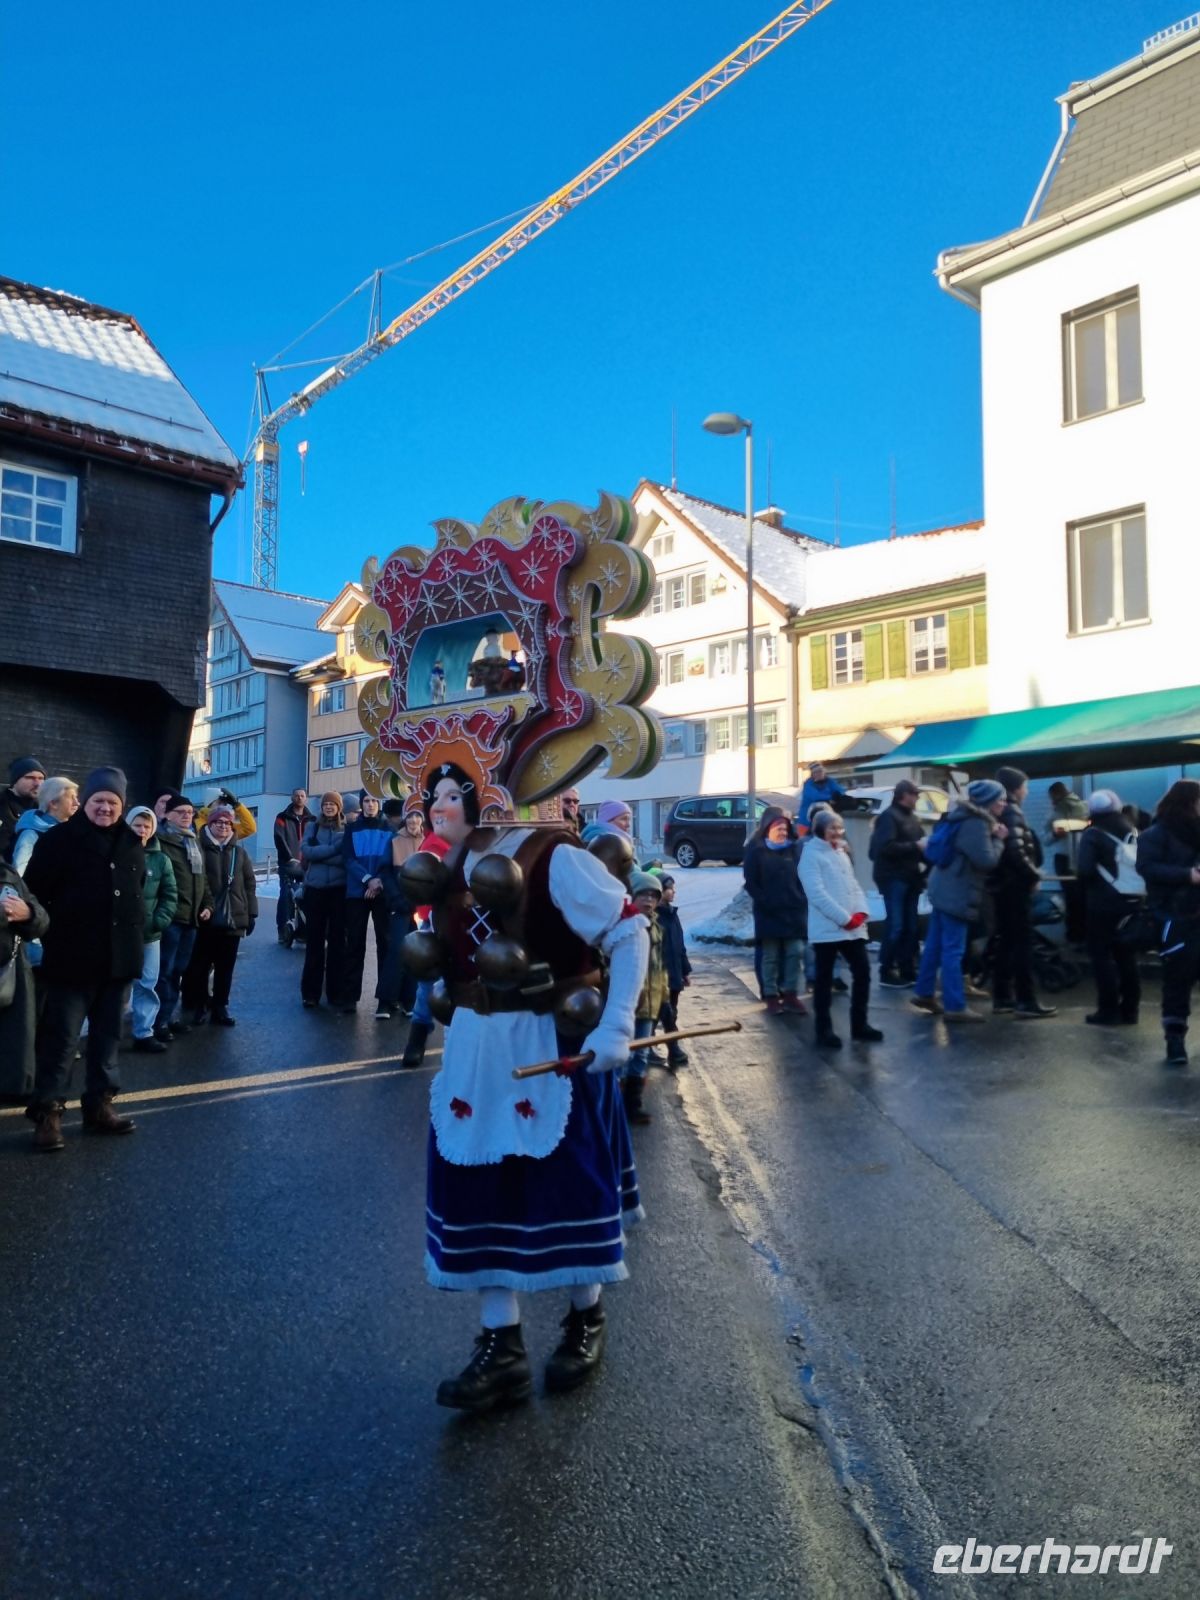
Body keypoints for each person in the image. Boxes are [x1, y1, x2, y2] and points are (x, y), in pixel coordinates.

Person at [421, 764, 647, 1412]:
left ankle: (586, 1317)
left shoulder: (557, 856)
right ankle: (503, 1344)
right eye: (432, 795)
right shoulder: (453, 858)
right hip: (475, 1048)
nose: (437, 805)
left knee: (564, 1180)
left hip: (550, 1042)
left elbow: (630, 930)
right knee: (476, 1184)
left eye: (450, 793)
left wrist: (618, 1022)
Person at [24, 767, 145, 1151]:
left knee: (107, 1039)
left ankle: (99, 1107)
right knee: (60, 1041)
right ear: (85, 804)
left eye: (113, 802)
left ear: (122, 806)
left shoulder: (131, 842)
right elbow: (36, 893)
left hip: (118, 960)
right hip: (71, 959)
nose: (105, 808)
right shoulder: (58, 840)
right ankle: (48, 1114)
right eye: (98, 801)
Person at [911, 780, 1007, 1023]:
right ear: (987, 801)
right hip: (957, 892)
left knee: (934, 945)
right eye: (1000, 799)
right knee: (953, 949)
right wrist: (999, 840)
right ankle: (955, 1005)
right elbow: (986, 861)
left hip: (943, 888)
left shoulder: (959, 816)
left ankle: (924, 993)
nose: (1003, 804)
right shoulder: (976, 823)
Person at [798, 809, 881, 1049]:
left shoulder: (842, 852)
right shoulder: (811, 855)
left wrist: (861, 911)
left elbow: (853, 885)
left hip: (852, 929)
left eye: (839, 827)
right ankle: (824, 1030)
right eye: (832, 827)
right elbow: (816, 893)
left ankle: (860, 1024)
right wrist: (844, 918)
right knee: (823, 981)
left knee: (863, 973)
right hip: (828, 930)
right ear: (820, 829)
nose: (836, 832)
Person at [1137, 780, 1200, 1065]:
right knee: (1177, 981)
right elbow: (1147, 868)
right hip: (1174, 918)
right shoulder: (1156, 833)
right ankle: (1175, 1041)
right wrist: (1188, 875)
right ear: (1189, 801)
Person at [989, 767, 1057, 1019]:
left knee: (1006, 942)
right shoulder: (1013, 812)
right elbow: (1016, 852)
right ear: (1016, 788)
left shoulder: (999, 811)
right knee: (1022, 943)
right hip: (1015, 888)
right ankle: (1026, 1000)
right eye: (1025, 786)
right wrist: (1033, 876)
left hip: (1001, 887)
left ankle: (1002, 996)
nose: (1027, 791)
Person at [181, 804, 257, 1026]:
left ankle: (220, 1006)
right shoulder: (199, 848)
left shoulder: (239, 852)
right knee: (200, 965)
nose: (223, 827)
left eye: (227, 823)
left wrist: (251, 913)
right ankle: (200, 1004)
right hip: (205, 917)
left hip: (234, 917)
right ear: (209, 824)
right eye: (218, 822)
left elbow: (250, 884)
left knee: (226, 967)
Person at [1076, 789, 1142, 1028]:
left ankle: (1108, 1010)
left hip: (1103, 904)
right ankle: (1130, 1010)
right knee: (1126, 955)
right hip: (1132, 899)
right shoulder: (1131, 829)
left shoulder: (1093, 833)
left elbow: (1085, 869)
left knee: (1102, 956)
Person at [154, 793, 214, 1040]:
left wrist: (208, 903)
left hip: (192, 918)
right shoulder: (159, 840)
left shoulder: (193, 841)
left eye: (190, 813)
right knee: (164, 972)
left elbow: (201, 879)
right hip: (171, 918)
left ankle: (168, 1017)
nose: (187, 817)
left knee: (178, 970)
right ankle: (158, 1023)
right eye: (181, 812)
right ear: (167, 814)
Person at [743, 807, 807, 1016]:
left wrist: (800, 898)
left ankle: (790, 993)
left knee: (795, 952)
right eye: (778, 828)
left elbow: (804, 877)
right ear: (767, 829)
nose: (782, 832)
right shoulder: (757, 851)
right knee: (770, 956)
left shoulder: (794, 850)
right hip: (768, 912)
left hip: (793, 912)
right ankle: (771, 995)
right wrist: (765, 900)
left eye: (785, 828)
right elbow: (751, 883)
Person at [125, 806, 178, 1052]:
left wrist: (158, 922)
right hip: (120, 932)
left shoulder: (161, 859)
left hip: (150, 934)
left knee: (147, 983)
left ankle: (143, 1033)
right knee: (115, 985)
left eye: (147, 826)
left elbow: (169, 895)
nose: (142, 830)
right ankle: (101, 1034)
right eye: (138, 825)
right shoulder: (116, 853)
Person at [0, 857, 49, 1101]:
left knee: (14, 1039)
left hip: (11, 974)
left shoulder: (7, 873)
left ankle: (14, 1086)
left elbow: (41, 920)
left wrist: (28, 914)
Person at [870, 779, 927, 988]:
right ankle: (886, 969)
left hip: (910, 877)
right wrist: (916, 846)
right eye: (915, 794)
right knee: (896, 925)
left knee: (910, 927)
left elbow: (920, 847)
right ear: (904, 795)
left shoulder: (912, 818)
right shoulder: (889, 817)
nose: (918, 798)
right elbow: (884, 848)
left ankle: (906, 968)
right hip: (894, 877)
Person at [621, 871, 666, 1126]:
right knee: (622, 1054)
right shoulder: (625, 926)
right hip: (629, 1002)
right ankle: (615, 1105)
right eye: (643, 894)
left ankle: (633, 1103)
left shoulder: (657, 927)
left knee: (641, 1054)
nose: (649, 901)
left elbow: (660, 968)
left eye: (653, 896)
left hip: (651, 1002)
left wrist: (665, 994)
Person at [342, 790, 392, 1016]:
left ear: (380, 803)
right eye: (367, 801)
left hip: (382, 892)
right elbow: (348, 859)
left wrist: (378, 880)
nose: (371, 804)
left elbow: (391, 859)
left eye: (374, 800)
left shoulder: (389, 828)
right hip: (357, 892)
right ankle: (350, 997)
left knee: (385, 944)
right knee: (354, 944)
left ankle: (385, 999)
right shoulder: (352, 828)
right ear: (361, 804)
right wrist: (368, 879)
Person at [299, 792, 347, 1008]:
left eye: (332, 804)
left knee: (338, 944)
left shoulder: (345, 828)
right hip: (315, 890)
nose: (329, 807)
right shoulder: (313, 827)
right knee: (314, 944)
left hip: (338, 891)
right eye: (326, 804)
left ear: (339, 807)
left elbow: (346, 857)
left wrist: (322, 854)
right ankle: (311, 994)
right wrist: (332, 851)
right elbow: (307, 851)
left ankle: (336, 992)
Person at [379, 804, 424, 1017]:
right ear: (405, 818)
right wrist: (397, 899)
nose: (414, 821)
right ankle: (386, 1001)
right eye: (411, 816)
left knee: (418, 954)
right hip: (400, 905)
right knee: (396, 951)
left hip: (422, 908)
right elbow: (385, 872)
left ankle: (410, 1000)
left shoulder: (429, 841)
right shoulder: (394, 840)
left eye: (418, 816)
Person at [1046, 781, 1089, 943]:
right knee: (1078, 896)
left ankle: (1076, 934)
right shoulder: (1083, 808)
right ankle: (1079, 933)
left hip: (1066, 857)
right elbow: (1046, 838)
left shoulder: (1056, 813)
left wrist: (1053, 836)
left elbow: (1046, 839)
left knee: (1073, 897)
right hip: (1076, 856)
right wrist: (1055, 835)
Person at [656, 874, 692, 1067]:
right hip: (659, 977)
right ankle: (673, 1049)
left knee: (671, 1012)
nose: (673, 891)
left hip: (675, 974)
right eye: (669, 888)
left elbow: (680, 945)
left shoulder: (672, 914)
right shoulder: (653, 917)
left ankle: (653, 1046)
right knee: (665, 1013)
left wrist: (685, 970)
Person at [12, 776, 79, 876]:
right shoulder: (31, 834)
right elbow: (19, 873)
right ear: (53, 804)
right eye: (71, 798)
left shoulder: (75, 831)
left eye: (76, 797)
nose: (77, 803)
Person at [273, 788, 314, 944]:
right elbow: (279, 838)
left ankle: (304, 928)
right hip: (288, 864)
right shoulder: (282, 817)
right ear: (292, 797)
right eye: (296, 795)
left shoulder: (312, 819)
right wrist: (288, 857)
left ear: (306, 799)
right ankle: (282, 929)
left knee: (307, 896)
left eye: (302, 796)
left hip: (307, 865)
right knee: (286, 895)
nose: (299, 798)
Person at [1, 756, 45, 863]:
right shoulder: (2, 805)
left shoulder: (44, 808)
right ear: (15, 780)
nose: (37, 784)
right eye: (30, 778)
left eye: (41, 778)